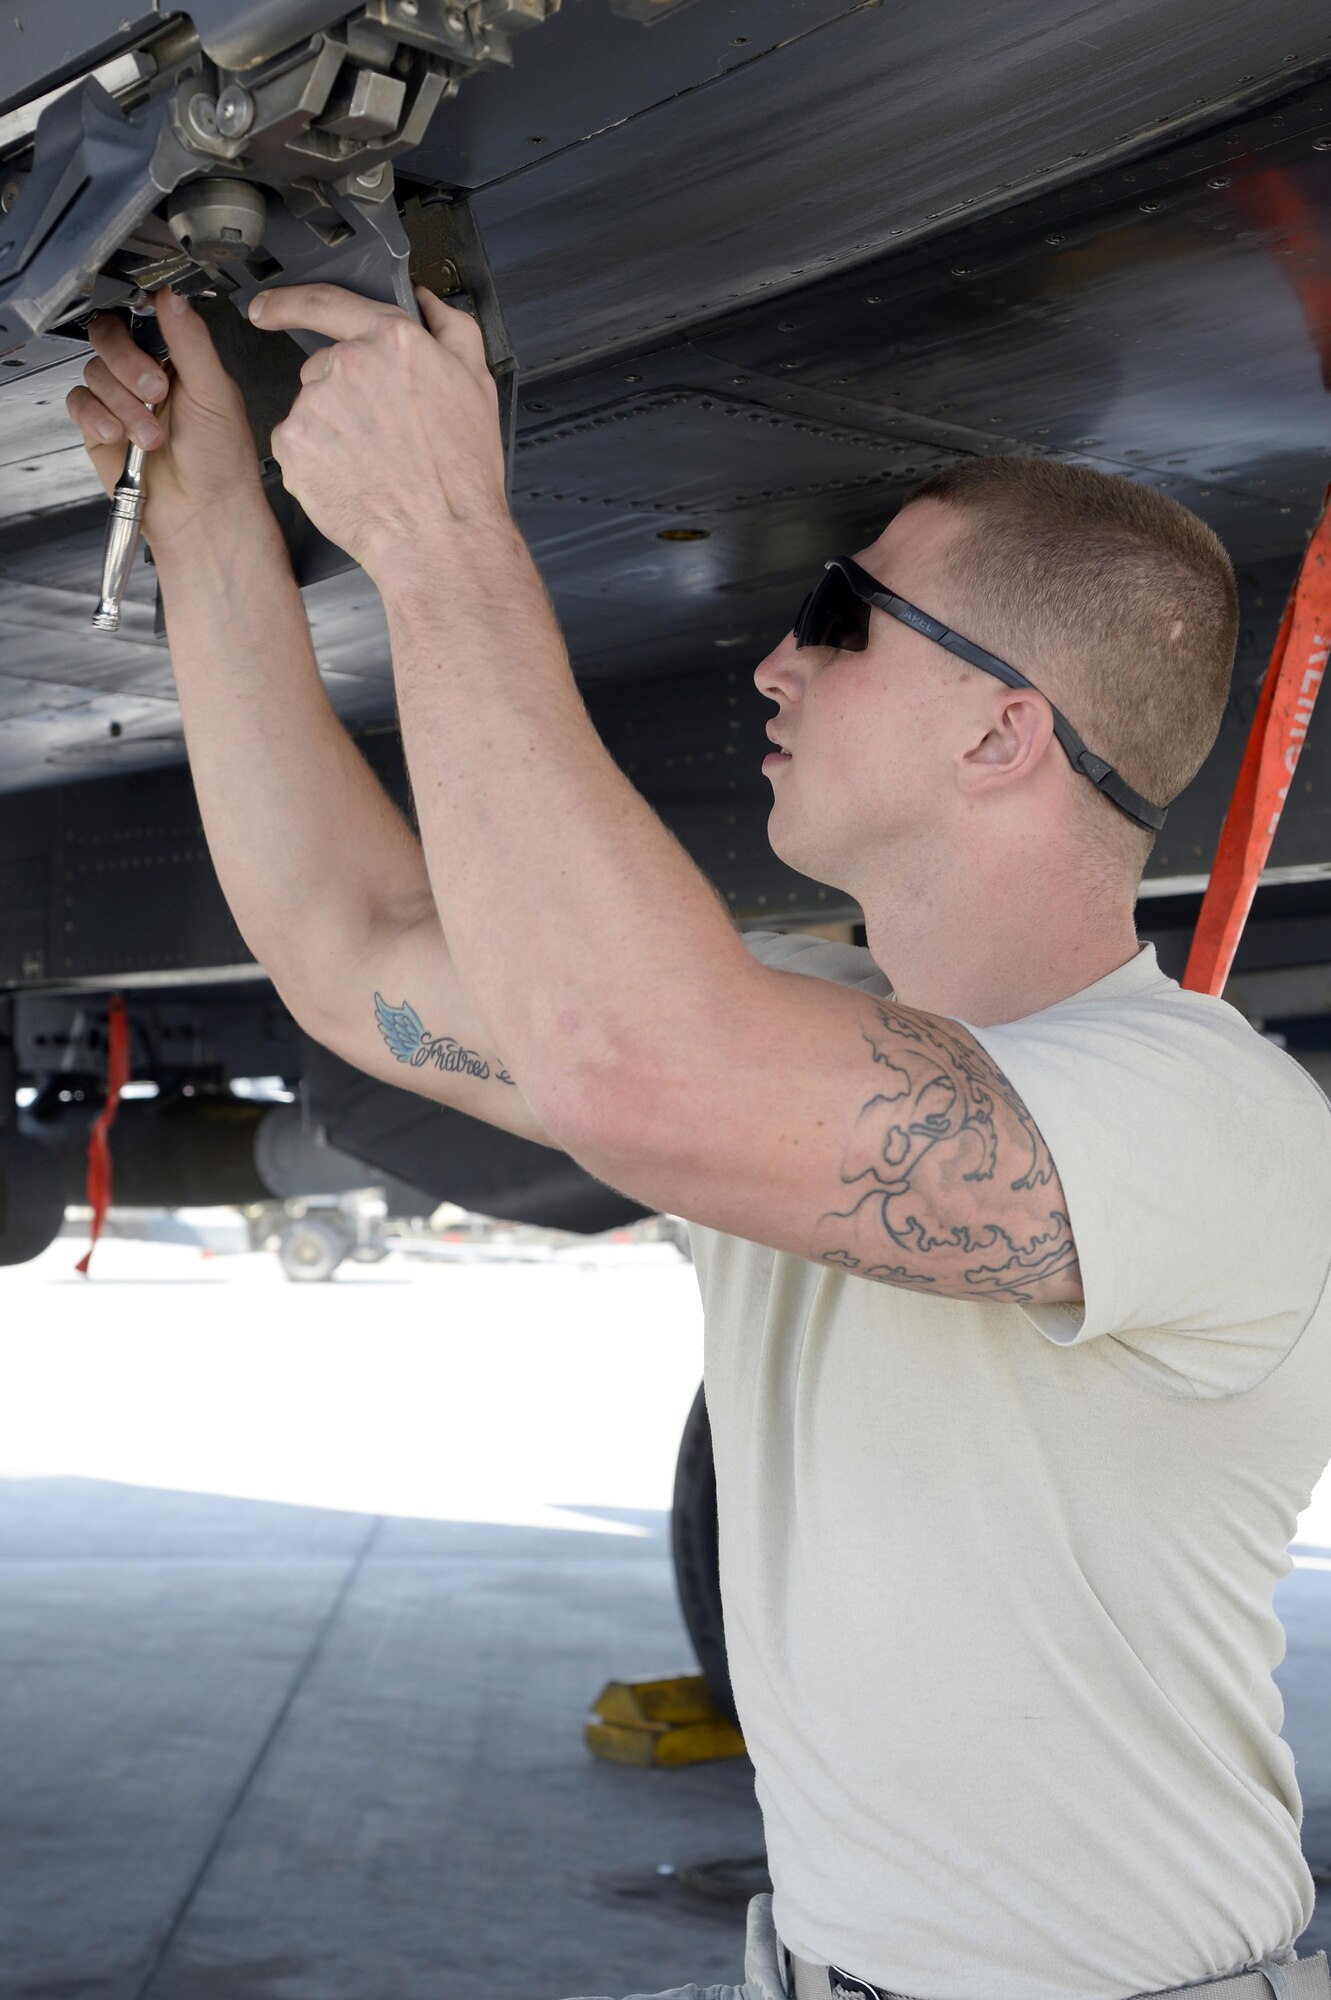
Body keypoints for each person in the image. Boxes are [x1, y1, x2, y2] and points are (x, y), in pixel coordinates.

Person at [67, 284, 1331, 2000]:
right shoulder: (791, 1044)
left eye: (843, 618)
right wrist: (208, 500)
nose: (775, 657)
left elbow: (635, 1065)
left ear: (1003, 727)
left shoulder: (1212, 1121)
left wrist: (445, 528)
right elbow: (356, 946)